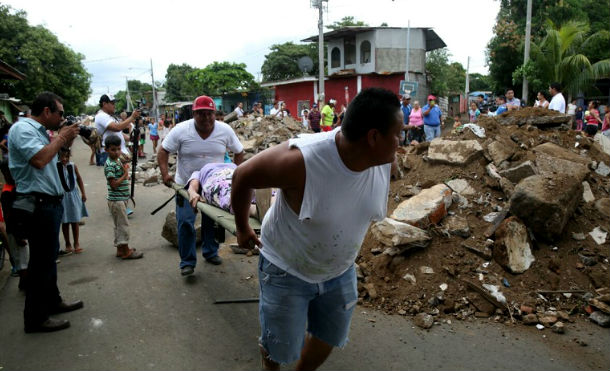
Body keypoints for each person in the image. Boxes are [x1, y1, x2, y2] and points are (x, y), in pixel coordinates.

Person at [230, 87, 400, 371]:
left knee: (330, 335)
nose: (401, 142)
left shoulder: (383, 161)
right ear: (373, 137)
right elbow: (242, 175)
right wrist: (242, 227)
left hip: (340, 271)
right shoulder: (301, 161)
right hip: (286, 269)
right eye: (398, 134)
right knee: (279, 347)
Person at [8, 92, 83, 333]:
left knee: (48, 259)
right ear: (47, 111)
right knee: (41, 262)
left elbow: (54, 158)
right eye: (60, 113)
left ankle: (53, 301)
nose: (62, 117)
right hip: (37, 204)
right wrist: (61, 137)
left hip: (49, 203)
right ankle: (36, 318)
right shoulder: (23, 130)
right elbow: (39, 160)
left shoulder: (41, 133)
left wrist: (65, 141)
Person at [158, 95, 245, 277]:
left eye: (209, 114)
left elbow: (239, 151)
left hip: (212, 186)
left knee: (211, 222)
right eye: (201, 114)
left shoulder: (225, 130)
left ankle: (210, 252)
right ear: (194, 114)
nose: (206, 118)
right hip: (185, 184)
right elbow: (163, 150)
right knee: (186, 223)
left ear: (214, 113)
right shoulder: (181, 130)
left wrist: (235, 175)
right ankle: (187, 262)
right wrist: (165, 174)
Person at [103, 135, 143, 260]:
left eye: (118, 149)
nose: (117, 152)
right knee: (123, 225)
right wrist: (125, 174)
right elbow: (113, 184)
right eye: (113, 150)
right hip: (116, 200)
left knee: (119, 225)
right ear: (107, 150)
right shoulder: (110, 165)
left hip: (120, 199)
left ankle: (120, 249)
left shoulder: (117, 161)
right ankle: (126, 251)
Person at [0, 158, 28, 290]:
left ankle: (24, 283)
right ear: (5, 173)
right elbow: (9, 217)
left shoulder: (15, 187)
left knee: (24, 258)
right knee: (22, 261)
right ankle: (25, 283)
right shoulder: (7, 193)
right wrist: (18, 236)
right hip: (16, 231)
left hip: (20, 229)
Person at [56, 147, 88, 256]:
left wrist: (83, 193)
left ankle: (76, 243)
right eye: (62, 157)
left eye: (66, 157)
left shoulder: (73, 166)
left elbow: (79, 179)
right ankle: (68, 243)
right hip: (62, 197)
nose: (64, 159)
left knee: (75, 220)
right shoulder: (56, 167)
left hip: (73, 196)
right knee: (65, 221)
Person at [94, 94, 140, 165]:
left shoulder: (110, 116)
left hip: (118, 154)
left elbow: (119, 133)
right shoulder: (101, 116)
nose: (114, 105)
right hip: (111, 154)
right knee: (116, 175)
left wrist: (130, 138)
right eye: (112, 103)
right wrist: (132, 117)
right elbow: (117, 128)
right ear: (104, 104)